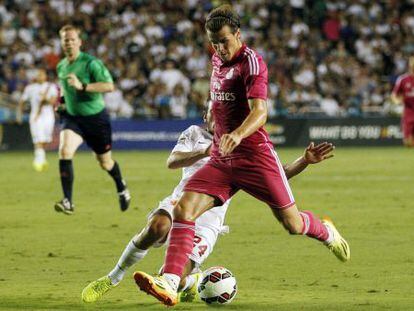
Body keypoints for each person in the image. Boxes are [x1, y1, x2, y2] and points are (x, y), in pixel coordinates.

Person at [133, 5, 350, 306]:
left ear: (238, 34)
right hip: (222, 158)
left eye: (224, 40)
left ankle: (325, 231)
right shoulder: (216, 60)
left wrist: (237, 134)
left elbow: (261, 112)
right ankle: (169, 283)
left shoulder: (253, 62)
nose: (219, 48)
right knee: (184, 209)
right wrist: (224, 136)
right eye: (214, 42)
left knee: (293, 225)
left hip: (254, 155)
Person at [81, 102, 336, 303]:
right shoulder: (195, 134)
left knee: (170, 280)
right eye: (214, 113)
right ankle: (113, 277)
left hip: (210, 219)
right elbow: (172, 161)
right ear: (207, 116)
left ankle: (191, 282)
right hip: (181, 201)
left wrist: (304, 161)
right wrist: (205, 151)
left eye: (223, 113)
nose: (219, 118)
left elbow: (278, 175)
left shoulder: (244, 145)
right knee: (157, 226)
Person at [54, 25, 130, 215]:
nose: (69, 43)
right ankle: (68, 201)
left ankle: (121, 186)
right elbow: (64, 89)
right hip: (73, 118)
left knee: (104, 163)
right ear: (62, 42)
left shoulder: (91, 63)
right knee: (64, 151)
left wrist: (83, 86)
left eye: (72, 39)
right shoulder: (61, 65)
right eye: (65, 40)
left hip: (96, 120)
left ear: (79, 42)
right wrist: (62, 103)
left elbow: (109, 86)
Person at [17, 69, 58, 172]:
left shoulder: (51, 86)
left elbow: (53, 101)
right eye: (38, 75)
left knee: (45, 140)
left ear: (45, 76)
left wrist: (45, 99)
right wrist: (19, 115)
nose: (40, 76)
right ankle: (39, 161)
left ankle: (40, 157)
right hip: (36, 116)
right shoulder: (30, 88)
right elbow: (22, 101)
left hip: (49, 117)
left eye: (42, 74)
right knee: (38, 139)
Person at [391, 56, 414, 147]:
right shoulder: (403, 79)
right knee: (407, 143)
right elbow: (394, 95)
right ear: (410, 66)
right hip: (408, 111)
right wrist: (397, 102)